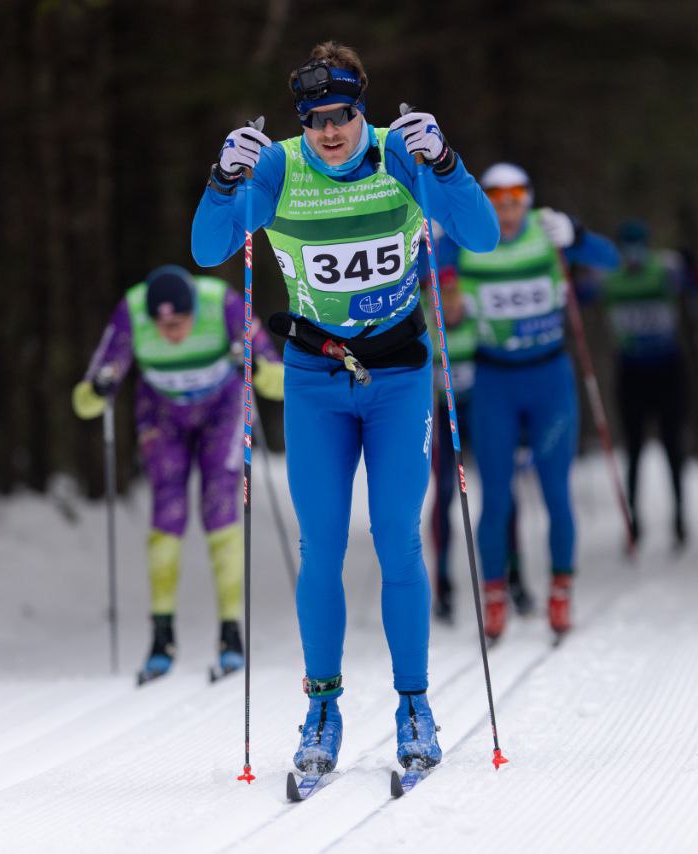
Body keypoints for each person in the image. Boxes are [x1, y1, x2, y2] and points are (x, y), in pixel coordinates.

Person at [190, 42, 498, 776]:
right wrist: (224, 178)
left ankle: (414, 705)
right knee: (320, 545)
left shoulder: (401, 155)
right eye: (316, 118)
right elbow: (208, 249)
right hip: (315, 379)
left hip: (398, 375)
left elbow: (481, 237)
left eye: (344, 116)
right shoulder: (279, 166)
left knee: (397, 536)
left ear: (364, 110)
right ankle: (321, 707)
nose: (331, 131)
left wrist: (448, 162)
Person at [72, 264, 283, 683]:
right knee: (166, 513)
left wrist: (255, 368)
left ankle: (230, 634)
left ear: (193, 310)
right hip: (162, 412)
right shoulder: (131, 310)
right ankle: (162, 637)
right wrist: (100, 388)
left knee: (220, 508)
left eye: (179, 322)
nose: (170, 332)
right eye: (161, 325)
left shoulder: (222, 304)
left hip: (221, 408)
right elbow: (85, 400)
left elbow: (280, 380)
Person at [439, 162, 618, 642]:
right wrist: (427, 235)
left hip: (549, 379)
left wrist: (577, 235)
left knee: (555, 490)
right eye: (495, 195)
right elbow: (419, 268)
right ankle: (494, 596)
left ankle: (561, 591)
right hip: (495, 379)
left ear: (530, 197)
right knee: (495, 497)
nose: (506, 204)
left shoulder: (546, 231)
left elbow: (611, 259)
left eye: (516, 194)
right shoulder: (466, 235)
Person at [424, 280, 530, 624]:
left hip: (482, 413)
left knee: (501, 492)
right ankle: (443, 586)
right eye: (444, 299)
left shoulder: (480, 321)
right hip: (443, 414)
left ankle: (514, 577)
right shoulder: (426, 319)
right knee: (443, 496)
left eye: (456, 299)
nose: (451, 306)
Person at [602, 220, 692, 550]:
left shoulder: (664, 270)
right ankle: (634, 520)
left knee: (673, 445)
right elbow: (577, 292)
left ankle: (680, 516)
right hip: (631, 371)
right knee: (635, 448)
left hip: (668, 369)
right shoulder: (611, 276)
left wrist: (693, 268)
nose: (634, 253)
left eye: (639, 244)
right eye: (628, 245)